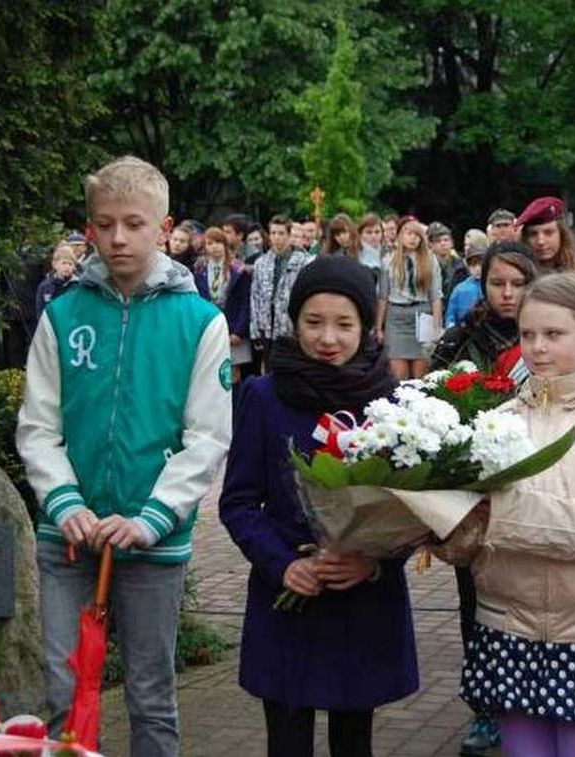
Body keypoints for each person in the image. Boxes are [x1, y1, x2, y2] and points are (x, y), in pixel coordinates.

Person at [16, 156, 232, 757]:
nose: (117, 238)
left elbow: (208, 437)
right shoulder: (62, 316)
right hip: (69, 538)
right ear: (90, 228)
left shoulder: (200, 321)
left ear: (163, 229)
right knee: (64, 688)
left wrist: (150, 517)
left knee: (150, 695)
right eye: (104, 224)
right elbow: (38, 426)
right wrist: (65, 504)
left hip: (153, 541)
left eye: (134, 223)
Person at [435, 272, 575, 757]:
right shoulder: (498, 420)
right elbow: (473, 533)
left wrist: (503, 517)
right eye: (527, 335)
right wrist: (443, 528)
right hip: (507, 623)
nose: (537, 348)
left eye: (554, 334)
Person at [220, 256, 418, 757]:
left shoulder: (390, 403)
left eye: (343, 324)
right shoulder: (263, 397)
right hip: (289, 598)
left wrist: (374, 560)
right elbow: (239, 502)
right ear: (293, 322)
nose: (328, 337)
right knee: (287, 739)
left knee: (355, 741)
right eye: (313, 322)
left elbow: (414, 507)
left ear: (365, 325)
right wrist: (282, 564)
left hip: (361, 599)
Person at [430, 241, 536, 757]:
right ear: (482, 282)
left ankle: (526, 702)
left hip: (532, 492)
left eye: (518, 284)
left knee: (523, 602)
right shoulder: (459, 339)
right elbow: (432, 402)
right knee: (474, 604)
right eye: (499, 283)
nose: (508, 293)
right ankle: (484, 707)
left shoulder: (546, 338)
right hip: (469, 497)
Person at [375, 216, 443, 380]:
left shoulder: (430, 260)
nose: (413, 238)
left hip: (422, 315)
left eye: (417, 235)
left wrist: (436, 327)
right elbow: (383, 296)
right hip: (396, 317)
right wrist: (378, 327)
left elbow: (436, 296)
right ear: (400, 236)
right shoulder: (388, 261)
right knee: (398, 375)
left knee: (420, 376)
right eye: (408, 233)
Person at [517, 196, 575, 307]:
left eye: (548, 233)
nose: (540, 241)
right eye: (533, 234)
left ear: (562, 235)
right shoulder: (518, 276)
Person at [251, 214, 311, 372]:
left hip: (290, 327)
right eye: (273, 233)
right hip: (267, 326)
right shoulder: (261, 263)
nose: (277, 238)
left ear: (290, 235)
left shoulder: (304, 262)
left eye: (281, 233)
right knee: (270, 370)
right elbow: (255, 296)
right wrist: (256, 329)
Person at [194, 226, 253, 385]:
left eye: (218, 243)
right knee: (210, 371)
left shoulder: (238, 270)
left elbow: (245, 303)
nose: (215, 247)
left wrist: (239, 331)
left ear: (225, 245)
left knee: (232, 375)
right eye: (210, 243)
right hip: (209, 327)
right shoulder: (200, 270)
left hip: (233, 328)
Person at [443, 240, 490, 329]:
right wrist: (451, 329)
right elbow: (450, 316)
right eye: (473, 264)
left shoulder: (494, 287)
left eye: (481, 264)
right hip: (464, 333)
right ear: (467, 266)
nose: (477, 268)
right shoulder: (460, 289)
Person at [34, 243, 79, 321]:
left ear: (74, 267)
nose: (67, 267)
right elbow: (40, 310)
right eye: (64, 263)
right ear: (54, 265)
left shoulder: (77, 286)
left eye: (70, 264)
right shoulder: (45, 286)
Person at [428, 221, 468, 302]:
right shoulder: (427, 265)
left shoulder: (461, 266)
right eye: (438, 241)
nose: (443, 243)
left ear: (452, 243)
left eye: (446, 240)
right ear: (431, 245)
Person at [357, 212, 385, 278]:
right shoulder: (354, 254)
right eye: (369, 232)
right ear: (361, 234)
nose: (373, 236)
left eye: (377, 232)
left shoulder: (387, 252)